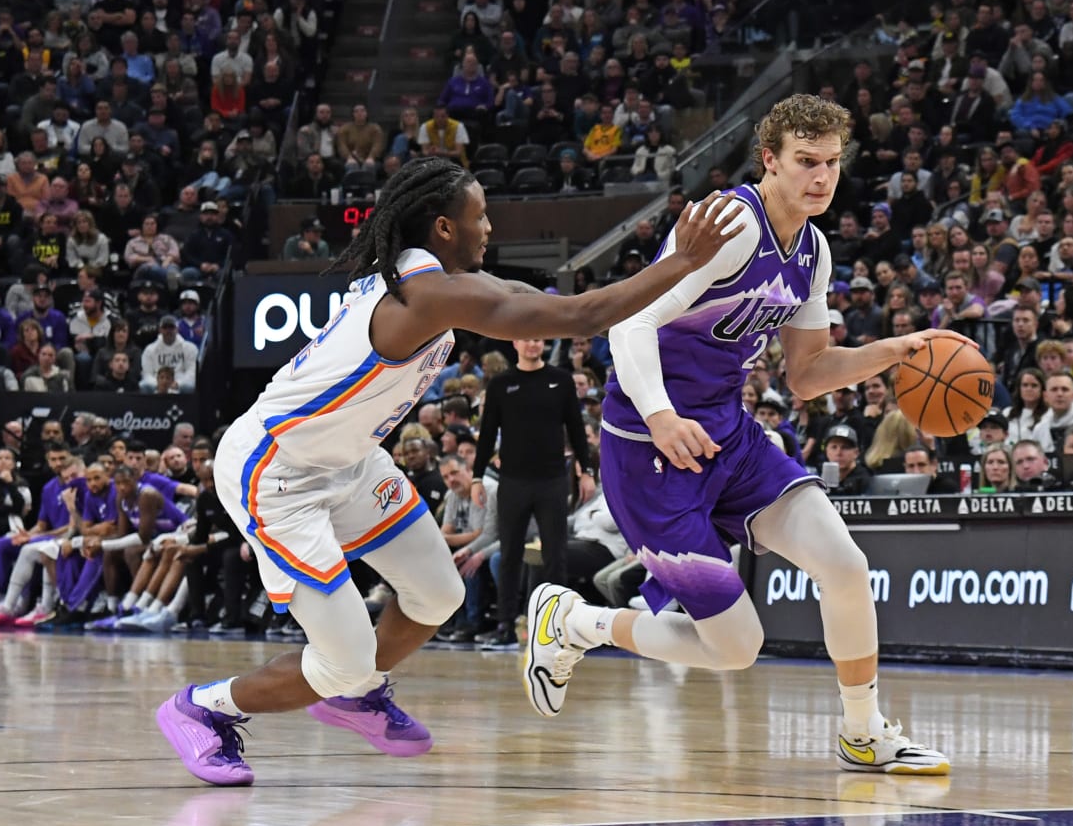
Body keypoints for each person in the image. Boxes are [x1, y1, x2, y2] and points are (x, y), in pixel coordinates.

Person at [155, 156, 744, 786]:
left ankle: (352, 693)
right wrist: (682, 262)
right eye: (479, 215)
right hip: (275, 470)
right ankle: (202, 709)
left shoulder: (437, 278)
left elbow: (545, 300)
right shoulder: (431, 294)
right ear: (441, 226)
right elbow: (579, 319)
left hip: (349, 461)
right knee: (345, 658)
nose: (488, 226)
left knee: (439, 593)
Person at [521, 94, 953, 775]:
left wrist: (893, 350)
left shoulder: (812, 250)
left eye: (832, 163)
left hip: (729, 436)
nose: (820, 177)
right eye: (805, 162)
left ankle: (864, 731)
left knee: (845, 567)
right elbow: (628, 324)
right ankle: (575, 624)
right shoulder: (729, 224)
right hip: (649, 450)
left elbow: (807, 375)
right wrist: (661, 416)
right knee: (734, 647)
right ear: (770, 161)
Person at [471, 337, 594, 649]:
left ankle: (554, 626)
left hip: (553, 480)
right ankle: (505, 626)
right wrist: (475, 477)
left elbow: (577, 428)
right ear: (516, 342)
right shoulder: (501, 384)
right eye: (527, 339)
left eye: (538, 339)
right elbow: (487, 434)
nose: (532, 344)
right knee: (510, 554)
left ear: (543, 343)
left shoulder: (561, 380)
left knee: (556, 555)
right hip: (512, 480)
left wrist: (586, 471)